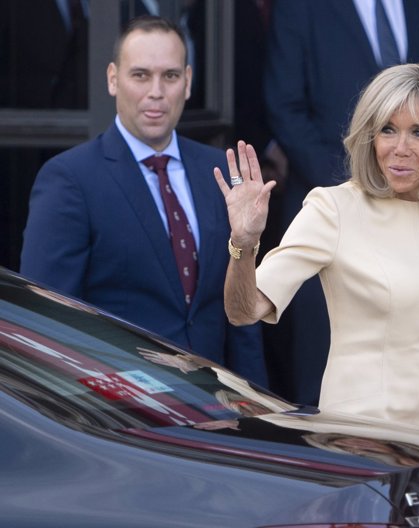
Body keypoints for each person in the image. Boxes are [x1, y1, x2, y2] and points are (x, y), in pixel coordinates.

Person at [216, 63, 419, 435]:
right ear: (370, 137)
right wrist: (244, 244)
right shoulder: (333, 208)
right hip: (358, 442)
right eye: (387, 130)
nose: (400, 149)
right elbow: (243, 311)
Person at [20, 16, 267, 386]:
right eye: (140, 75)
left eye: (170, 76)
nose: (156, 91)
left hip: (218, 402)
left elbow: (240, 317)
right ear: (112, 79)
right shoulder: (70, 179)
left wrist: (255, 404)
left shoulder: (217, 170)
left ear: (187, 82)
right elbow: (48, 320)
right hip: (121, 407)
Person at [263, 0, 419, 406]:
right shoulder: (301, 9)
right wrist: (362, 187)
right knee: (323, 380)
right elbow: (285, 107)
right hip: (334, 207)